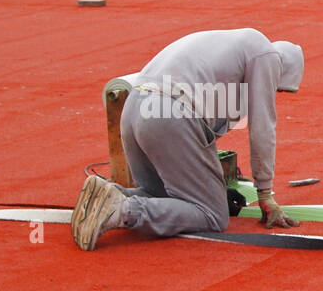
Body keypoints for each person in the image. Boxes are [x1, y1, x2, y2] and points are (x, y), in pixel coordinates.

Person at [72, 28, 303, 251]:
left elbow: (204, 133)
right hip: (169, 114)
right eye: (278, 89)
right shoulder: (267, 55)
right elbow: (262, 128)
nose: (274, 92)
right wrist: (264, 193)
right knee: (212, 214)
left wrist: (213, 187)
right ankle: (121, 209)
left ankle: (108, 195)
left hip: (134, 107)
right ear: (281, 70)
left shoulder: (231, 43)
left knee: (160, 195)